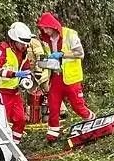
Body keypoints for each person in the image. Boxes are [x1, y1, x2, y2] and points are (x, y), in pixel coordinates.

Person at [35, 12, 93, 141]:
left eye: (46, 28)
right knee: (53, 105)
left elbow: (80, 53)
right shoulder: (47, 40)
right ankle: (53, 134)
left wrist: (62, 54)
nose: (45, 31)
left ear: (53, 26)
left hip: (71, 77)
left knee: (77, 106)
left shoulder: (70, 35)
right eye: (43, 29)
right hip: (56, 76)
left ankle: (91, 119)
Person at [0, 22, 35, 141]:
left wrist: (26, 78)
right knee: (3, 122)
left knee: (21, 119)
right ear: (14, 40)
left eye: (25, 44)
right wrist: (14, 74)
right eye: (22, 43)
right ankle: (3, 146)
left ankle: (15, 144)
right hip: (2, 93)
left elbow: (26, 69)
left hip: (15, 92)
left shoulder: (23, 53)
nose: (24, 46)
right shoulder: (3, 49)